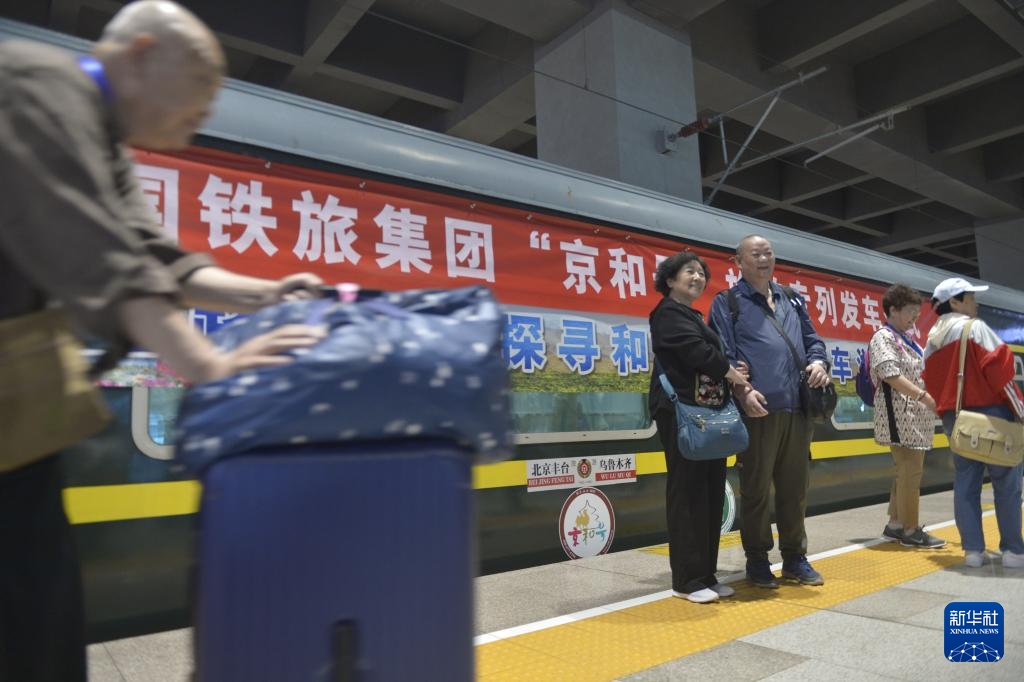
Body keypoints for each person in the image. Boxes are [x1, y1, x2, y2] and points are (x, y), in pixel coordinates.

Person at [0, 3, 327, 679]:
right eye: (202, 83)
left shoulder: (103, 141)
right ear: (141, 52)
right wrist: (209, 364)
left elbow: (158, 257)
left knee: (41, 621)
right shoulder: (37, 84)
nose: (207, 109)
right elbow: (104, 256)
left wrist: (268, 293)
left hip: (19, 432)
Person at [709, 235, 831, 589]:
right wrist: (743, 390)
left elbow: (813, 340)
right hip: (757, 411)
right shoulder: (728, 302)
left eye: (768, 253)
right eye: (755, 254)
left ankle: (794, 558)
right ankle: (758, 560)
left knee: (795, 489)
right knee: (756, 489)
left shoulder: (792, 298)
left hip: (798, 409)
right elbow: (724, 354)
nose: (764, 259)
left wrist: (819, 362)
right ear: (738, 262)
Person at [649, 252, 751, 603]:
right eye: (689, 271)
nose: (697, 277)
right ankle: (686, 581)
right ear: (670, 280)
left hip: (705, 413)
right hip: (682, 413)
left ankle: (706, 574)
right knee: (688, 494)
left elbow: (709, 358)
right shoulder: (666, 313)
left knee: (710, 494)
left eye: (701, 273)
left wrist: (730, 370)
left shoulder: (692, 315)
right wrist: (730, 371)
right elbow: (696, 352)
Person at [922, 278, 1024, 569]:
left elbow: (930, 385)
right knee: (1007, 482)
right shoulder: (974, 328)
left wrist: (947, 415)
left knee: (966, 484)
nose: (975, 304)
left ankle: (973, 552)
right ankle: (1013, 551)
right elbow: (1000, 373)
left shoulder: (931, 341)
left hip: (956, 420)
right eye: (970, 298)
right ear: (954, 302)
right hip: (992, 415)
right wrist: (1020, 410)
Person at [869, 284, 944, 548]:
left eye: (916, 311)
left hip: (913, 418)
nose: (915, 317)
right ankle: (911, 530)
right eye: (911, 311)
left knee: (905, 472)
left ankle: (895, 525)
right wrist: (924, 397)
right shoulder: (883, 337)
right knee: (910, 473)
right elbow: (889, 373)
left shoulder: (905, 339)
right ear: (893, 310)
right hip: (899, 418)